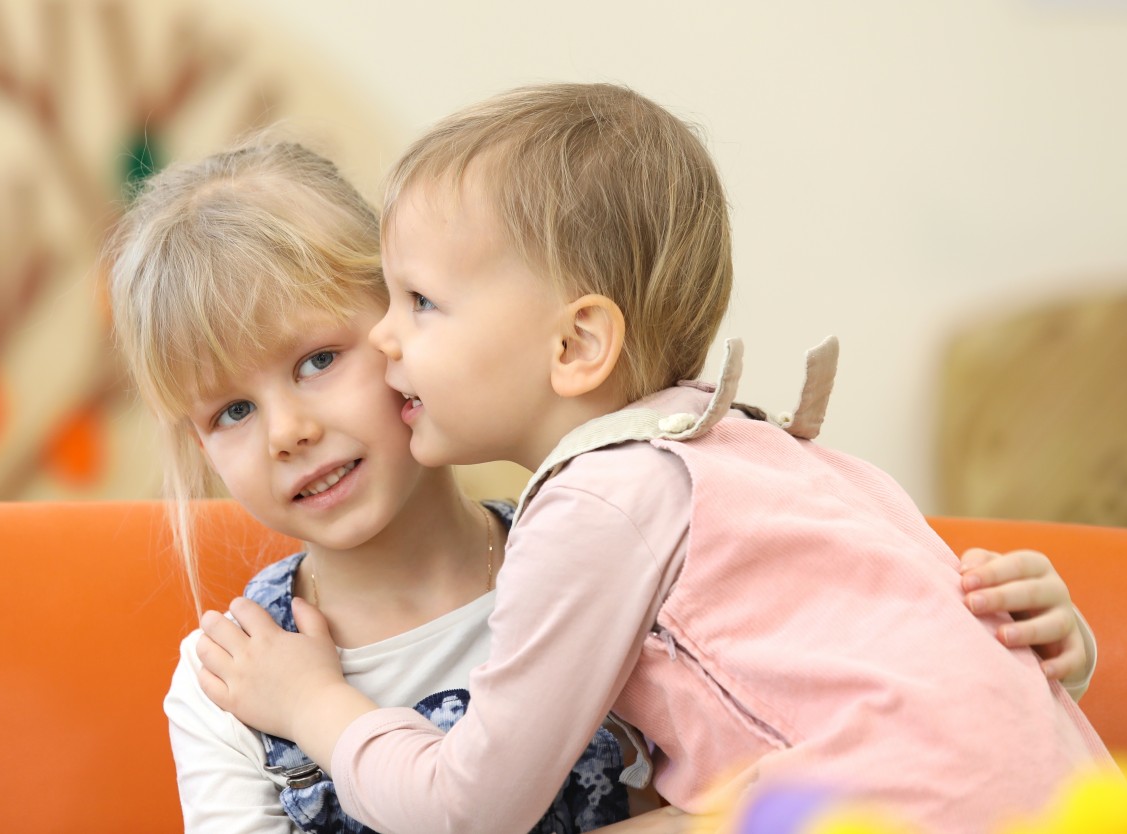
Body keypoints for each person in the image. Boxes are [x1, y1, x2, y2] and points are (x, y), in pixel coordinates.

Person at [196, 85, 1115, 834]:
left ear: (575, 345)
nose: (387, 340)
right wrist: (1059, 654)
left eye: (420, 303)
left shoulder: (597, 509)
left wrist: (314, 703)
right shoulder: (758, 451)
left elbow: (466, 813)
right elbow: (920, 681)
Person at [106, 138, 694, 834]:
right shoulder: (227, 681)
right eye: (232, 411)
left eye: (317, 360)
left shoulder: (608, 563)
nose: (285, 432)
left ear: (405, 321)